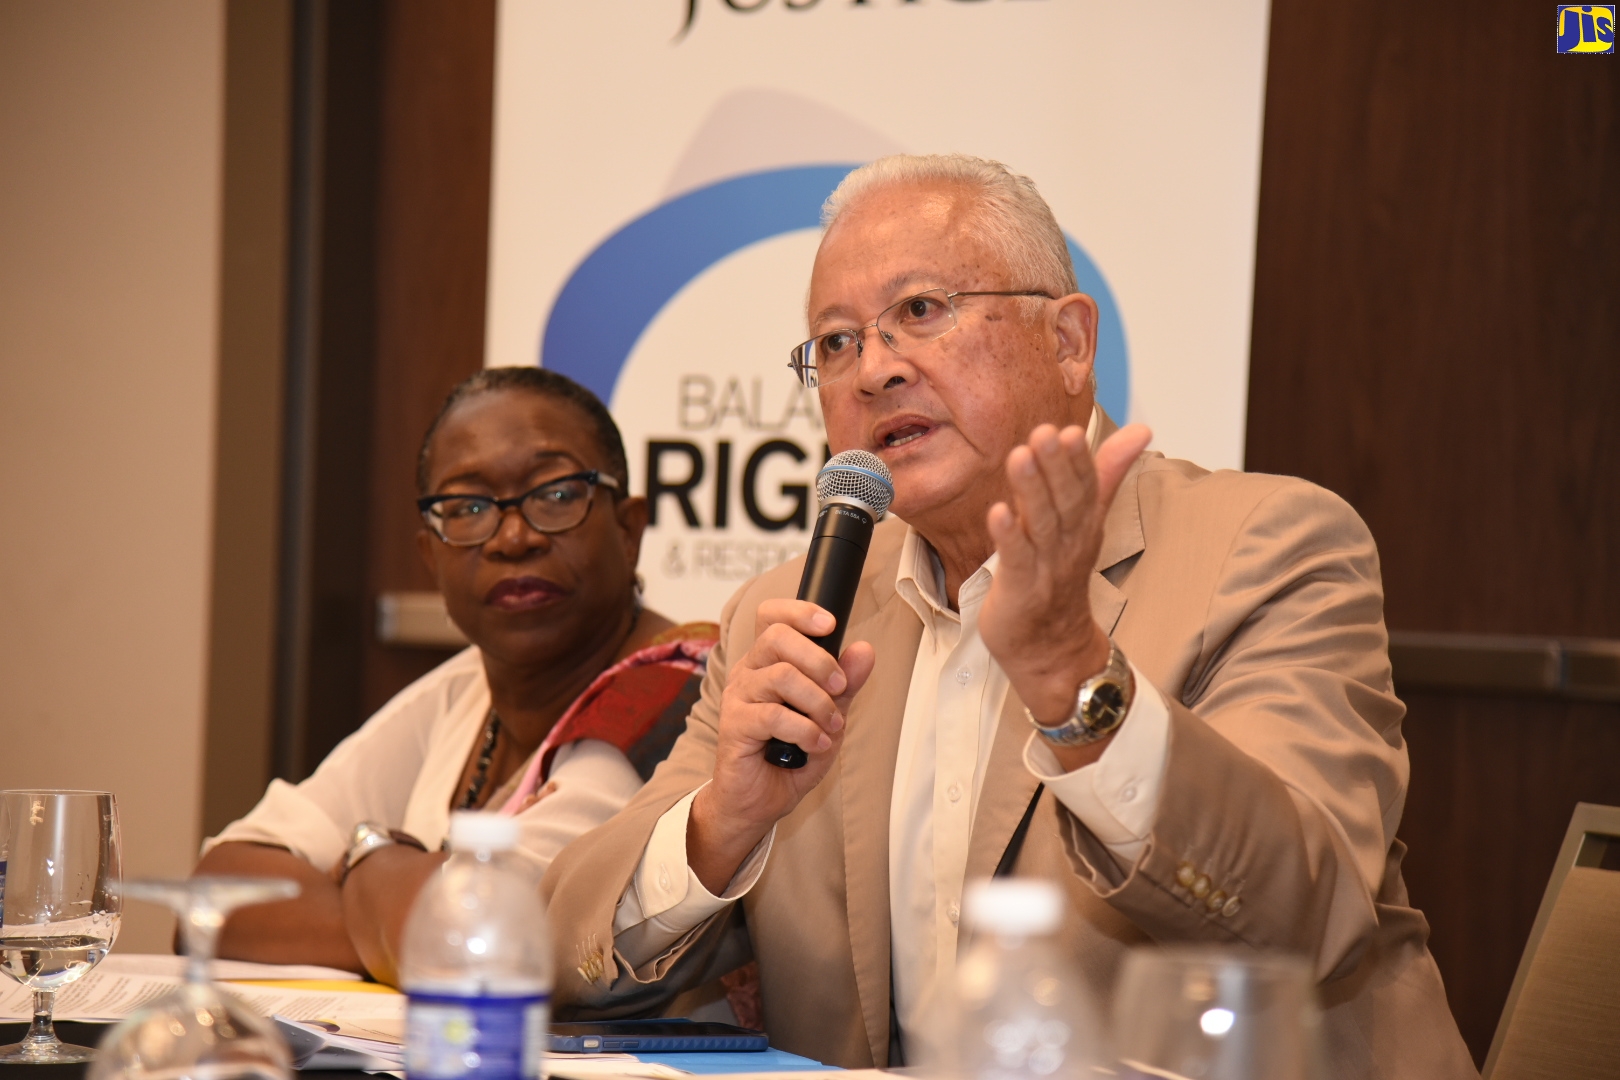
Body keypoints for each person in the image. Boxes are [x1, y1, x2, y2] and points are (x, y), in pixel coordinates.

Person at [541, 155, 1477, 1079]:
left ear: (1069, 342)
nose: (871, 372)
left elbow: (1304, 921)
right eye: (834, 343)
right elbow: (560, 950)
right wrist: (721, 825)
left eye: (920, 311)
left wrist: (1075, 675)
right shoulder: (785, 615)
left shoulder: (1267, 547)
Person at [198, 368, 717, 985]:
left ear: (629, 528)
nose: (513, 536)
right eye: (468, 508)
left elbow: (490, 941)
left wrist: (363, 857)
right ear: (431, 557)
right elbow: (213, 899)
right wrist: (397, 912)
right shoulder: (465, 687)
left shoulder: (679, 687)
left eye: (554, 494)